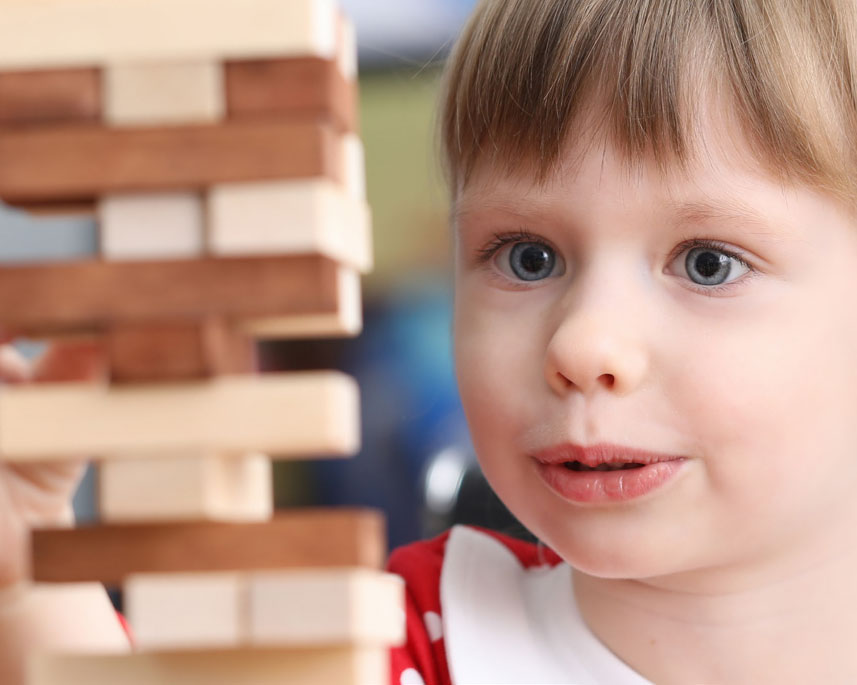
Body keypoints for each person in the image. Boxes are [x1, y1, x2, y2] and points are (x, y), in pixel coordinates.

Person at [4, 0, 857, 683]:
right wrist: (23, 578)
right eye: (527, 256)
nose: (583, 340)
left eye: (707, 263)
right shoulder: (381, 650)